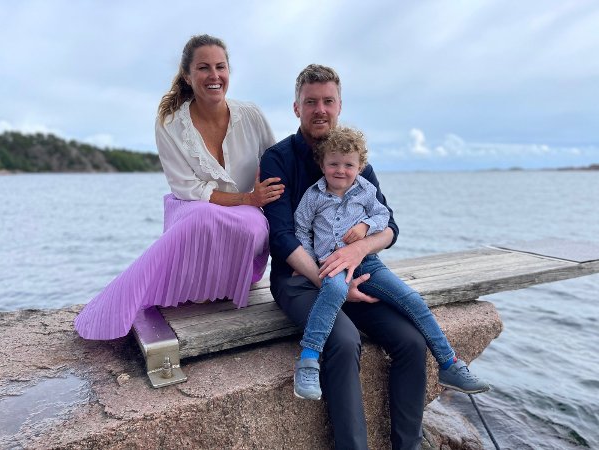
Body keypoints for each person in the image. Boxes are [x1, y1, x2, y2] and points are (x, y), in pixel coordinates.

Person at [74, 34, 284, 340]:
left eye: (220, 67)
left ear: (229, 71)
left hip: (246, 214)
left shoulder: (251, 115)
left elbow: (277, 164)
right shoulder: (169, 123)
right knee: (202, 215)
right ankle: (129, 299)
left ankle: (223, 281)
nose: (214, 75)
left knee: (253, 226)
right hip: (192, 209)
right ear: (187, 75)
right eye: (203, 68)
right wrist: (248, 198)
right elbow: (189, 189)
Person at [260, 63, 425, 449]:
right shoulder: (277, 158)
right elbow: (280, 237)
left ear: (339, 106)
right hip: (300, 280)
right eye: (311, 102)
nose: (320, 109)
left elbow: (389, 227)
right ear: (296, 107)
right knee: (345, 341)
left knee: (412, 342)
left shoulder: (354, 160)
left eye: (328, 101)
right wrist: (330, 283)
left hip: (356, 275)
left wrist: (360, 247)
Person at [291, 126, 490, 401]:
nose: (341, 170)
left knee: (412, 299)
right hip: (333, 264)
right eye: (333, 163)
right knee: (334, 290)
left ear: (360, 167)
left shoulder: (366, 190)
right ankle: (308, 361)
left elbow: (383, 217)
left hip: (368, 263)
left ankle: (449, 363)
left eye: (349, 165)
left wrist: (365, 225)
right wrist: (310, 260)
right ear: (322, 164)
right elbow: (301, 229)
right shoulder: (313, 196)